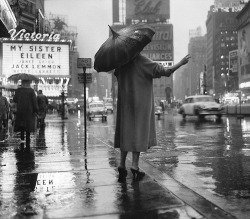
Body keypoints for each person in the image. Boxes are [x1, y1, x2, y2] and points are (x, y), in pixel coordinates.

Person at [114, 53, 191, 181]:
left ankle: (122, 165)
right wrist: (181, 63)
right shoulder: (143, 61)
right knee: (138, 132)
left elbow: (117, 75)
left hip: (125, 104)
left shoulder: (121, 62)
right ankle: (134, 165)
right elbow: (167, 71)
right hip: (141, 104)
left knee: (125, 133)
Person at [13, 80, 38, 147]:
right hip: (29, 111)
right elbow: (34, 102)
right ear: (28, 83)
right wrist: (36, 110)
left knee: (21, 125)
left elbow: (14, 99)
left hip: (20, 110)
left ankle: (22, 139)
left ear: (22, 83)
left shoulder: (18, 90)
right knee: (28, 125)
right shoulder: (31, 91)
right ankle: (27, 139)